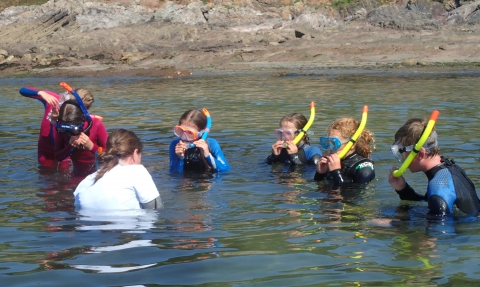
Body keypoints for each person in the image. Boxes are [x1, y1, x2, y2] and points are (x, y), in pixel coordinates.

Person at [388, 118, 480, 218]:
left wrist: (395, 224)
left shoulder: (439, 184)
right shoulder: (449, 170)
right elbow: (430, 204)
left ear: (419, 154)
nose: (401, 159)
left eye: (401, 153)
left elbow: (440, 229)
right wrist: (403, 189)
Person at [74, 129, 163, 210]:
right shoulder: (137, 171)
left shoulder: (85, 183)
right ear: (135, 153)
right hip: (129, 226)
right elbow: (156, 211)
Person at [19, 86, 96, 168]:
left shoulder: (77, 118)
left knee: (63, 178)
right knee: (45, 175)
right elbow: (22, 90)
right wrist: (41, 93)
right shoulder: (53, 99)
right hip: (45, 150)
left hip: (63, 153)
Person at [54, 98, 108, 176]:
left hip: (98, 175)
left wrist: (91, 146)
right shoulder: (62, 129)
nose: (70, 133)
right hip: (77, 175)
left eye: (74, 129)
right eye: (66, 129)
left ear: (82, 120)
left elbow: (110, 154)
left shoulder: (96, 125)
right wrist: (70, 147)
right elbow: (58, 157)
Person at [314, 117, 375, 185]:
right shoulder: (330, 163)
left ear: (352, 145)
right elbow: (319, 187)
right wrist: (320, 174)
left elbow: (353, 193)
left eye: (334, 143)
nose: (330, 148)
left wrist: (336, 171)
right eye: (327, 142)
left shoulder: (364, 169)